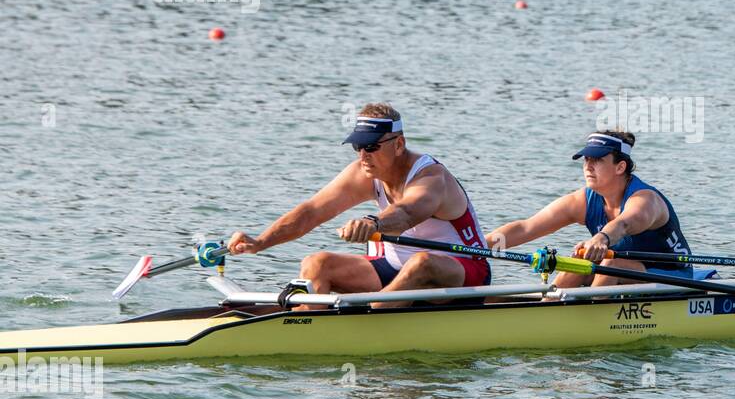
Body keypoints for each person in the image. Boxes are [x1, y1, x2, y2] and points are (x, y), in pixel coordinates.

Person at [226, 104, 491, 302]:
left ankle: (374, 318)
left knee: (422, 263)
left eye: (372, 147)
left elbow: (407, 213)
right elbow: (311, 212)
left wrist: (373, 223)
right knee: (316, 263)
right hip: (394, 270)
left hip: (462, 272)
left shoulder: (431, 178)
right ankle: (307, 324)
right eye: (358, 147)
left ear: (399, 144)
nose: (363, 156)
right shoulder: (365, 172)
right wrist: (261, 242)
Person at [485, 132, 693, 288]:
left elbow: (623, 224)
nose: (588, 166)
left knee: (611, 263)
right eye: (586, 159)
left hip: (673, 275)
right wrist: (475, 245)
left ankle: (587, 319)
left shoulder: (645, 200)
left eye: (598, 160)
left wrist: (601, 238)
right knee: (580, 260)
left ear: (620, 167)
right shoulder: (584, 200)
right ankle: (549, 308)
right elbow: (526, 228)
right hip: (625, 272)